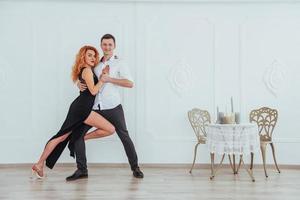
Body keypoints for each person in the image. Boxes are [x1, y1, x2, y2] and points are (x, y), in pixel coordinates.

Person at [66, 34, 144, 181]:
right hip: (94, 108)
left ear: (114, 46)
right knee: (77, 136)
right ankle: (82, 170)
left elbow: (130, 83)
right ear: (101, 46)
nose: (107, 47)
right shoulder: (95, 63)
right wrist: (78, 82)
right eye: (104, 44)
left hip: (113, 107)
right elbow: (84, 74)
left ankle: (135, 167)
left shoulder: (120, 63)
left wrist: (109, 79)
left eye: (110, 45)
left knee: (124, 137)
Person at [31, 46, 115, 179]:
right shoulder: (87, 70)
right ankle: (39, 163)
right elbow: (93, 91)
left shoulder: (88, 70)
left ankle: (39, 164)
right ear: (83, 57)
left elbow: (87, 89)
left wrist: (101, 76)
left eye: (94, 55)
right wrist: (103, 79)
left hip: (81, 107)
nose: (93, 58)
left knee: (62, 136)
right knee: (109, 129)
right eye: (89, 55)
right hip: (82, 109)